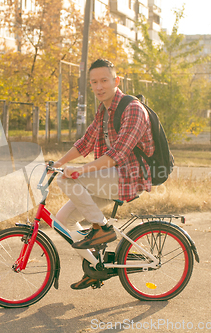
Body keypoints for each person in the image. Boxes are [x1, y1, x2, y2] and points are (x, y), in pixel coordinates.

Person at [53, 59, 155, 289]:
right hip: (111, 177)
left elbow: (117, 154)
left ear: (116, 81)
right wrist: (59, 161)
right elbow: (86, 142)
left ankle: (102, 228)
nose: (99, 87)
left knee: (66, 179)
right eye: (94, 82)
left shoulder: (133, 110)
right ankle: (95, 266)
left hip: (129, 178)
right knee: (62, 221)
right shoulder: (104, 110)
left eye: (104, 81)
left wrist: (79, 170)